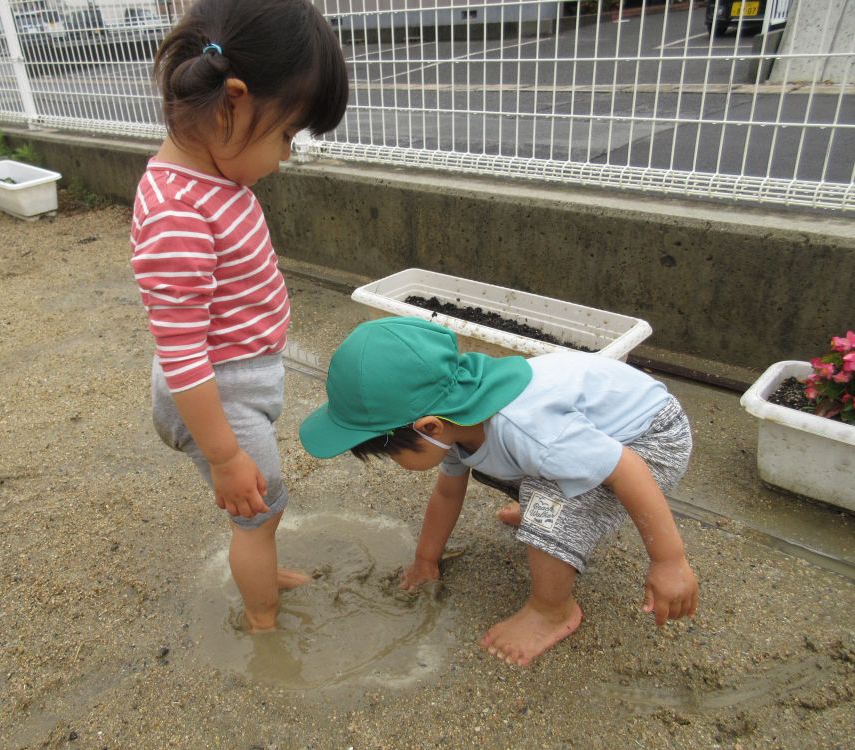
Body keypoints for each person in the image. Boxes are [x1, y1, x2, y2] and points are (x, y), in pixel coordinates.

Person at [299, 317, 698, 665]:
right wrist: (425, 559)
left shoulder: (526, 425)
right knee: (510, 473)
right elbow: (447, 493)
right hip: (592, 439)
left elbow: (626, 468)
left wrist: (668, 561)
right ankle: (551, 506)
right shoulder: (460, 412)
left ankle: (552, 609)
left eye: (389, 453)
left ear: (429, 428)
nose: (392, 463)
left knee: (550, 509)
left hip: (651, 443)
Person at [130, 0, 348, 631]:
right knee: (257, 508)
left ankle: (262, 559)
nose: (285, 156)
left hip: (237, 385)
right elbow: (180, 353)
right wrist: (224, 456)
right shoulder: (178, 213)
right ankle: (261, 617)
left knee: (264, 509)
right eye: (285, 135)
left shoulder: (212, 178)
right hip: (214, 398)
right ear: (234, 101)